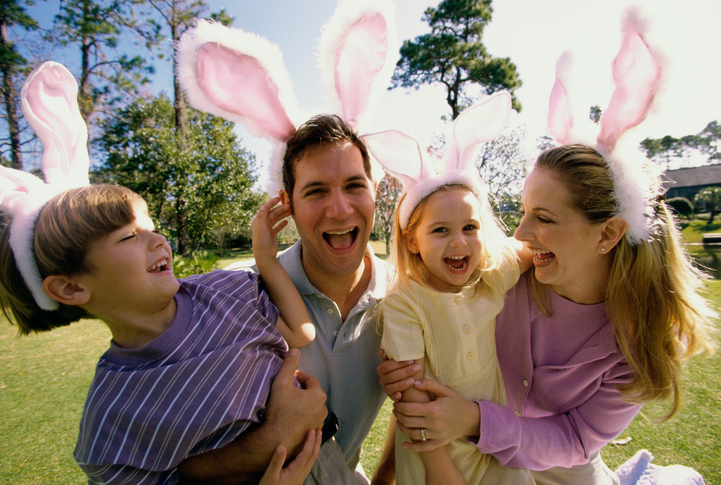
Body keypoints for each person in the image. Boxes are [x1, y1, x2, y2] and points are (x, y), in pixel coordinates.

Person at [375, 15, 716, 485]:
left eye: (545, 219)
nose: (521, 233)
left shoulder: (642, 337)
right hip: (478, 468)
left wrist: (473, 419)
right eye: (524, 210)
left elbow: (576, 440)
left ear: (607, 234)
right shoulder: (506, 275)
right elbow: (428, 359)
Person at [0, 182, 327, 485]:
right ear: (70, 288)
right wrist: (270, 442)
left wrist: (265, 259)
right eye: (129, 235)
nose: (159, 241)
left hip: (329, 464)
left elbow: (300, 331)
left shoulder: (224, 290)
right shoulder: (111, 424)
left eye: (152, 228)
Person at [177, 114, 392, 484]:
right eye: (316, 191)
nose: (340, 209)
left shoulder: (404, 296)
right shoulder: (239, 296)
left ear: (375, 191)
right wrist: (267, 444)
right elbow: (173, 460)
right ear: (287, 203)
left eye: (354, 186)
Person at [363, 93, 533, 485]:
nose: (459, 242)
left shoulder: (490, 274)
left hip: (491, 441)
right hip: (433, 452)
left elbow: (533, 249)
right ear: (412, 240)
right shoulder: (405, 302)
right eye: (440, 230)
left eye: (469, 228)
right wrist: (442, 472)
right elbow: (410, 392)